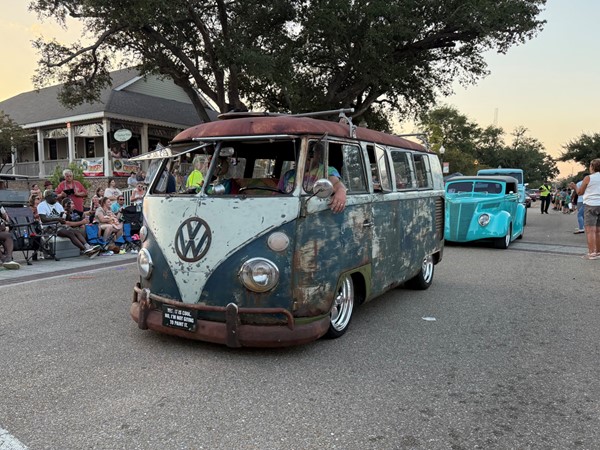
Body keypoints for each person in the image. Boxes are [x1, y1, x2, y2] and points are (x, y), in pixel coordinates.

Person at [278, 142, 347, 213]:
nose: (306, 157)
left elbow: (336, 183)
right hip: (288, 211)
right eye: (302, 154)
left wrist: (341, 191)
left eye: (310, 154)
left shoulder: (326, 171)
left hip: (313, 211)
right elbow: (278, 195)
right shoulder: (288, 175)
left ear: (318, 154)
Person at [37, 191, 99, 257]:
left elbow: (64, 219)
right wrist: (57, 219)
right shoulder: (41, 205)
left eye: (56, 197)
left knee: (76, 232)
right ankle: (85, 250)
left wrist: (68, 212)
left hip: (59, 225)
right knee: (70, 233)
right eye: (54, 197)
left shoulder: (58, 205)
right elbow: (43, 220)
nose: (56, 198)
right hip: (48, 227)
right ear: (47, 197)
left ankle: (88, 247)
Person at [570, 159, 600, 259]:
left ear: (592, 167)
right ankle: (598, 252)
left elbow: (580, 192)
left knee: (590, 230)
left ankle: (592, 253)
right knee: (598, 230)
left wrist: (574, 187)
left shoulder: (588, 178)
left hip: (591, 205)